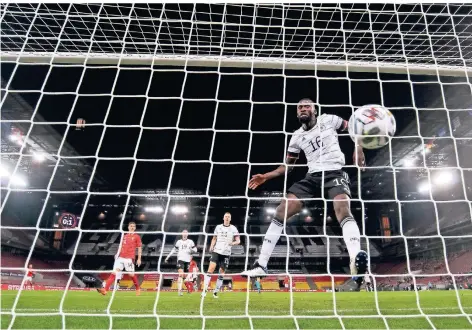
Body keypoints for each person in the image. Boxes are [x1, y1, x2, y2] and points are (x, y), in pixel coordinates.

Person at [242, 98, 368, 289]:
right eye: (299, 107)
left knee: (342, 208)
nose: (303, 109)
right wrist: (265, 177)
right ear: (297, 112)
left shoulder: (329, 120)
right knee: (281, 210)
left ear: (314, 110)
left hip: (334, 171)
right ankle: (261, 265)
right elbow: (287, 166)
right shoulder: (297, 136)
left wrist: (358, 148)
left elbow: (353, 128)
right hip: (312, 177)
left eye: (307, 106)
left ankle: (355, 262)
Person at [202, 212, 240, 298]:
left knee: (221, 273)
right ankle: (204, 290)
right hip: (217, 251)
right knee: (211, 269)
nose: (227, 218)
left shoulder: (233, 228)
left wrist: (233, 243)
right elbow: (214, 238)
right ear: (223, 218)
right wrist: (211, 246)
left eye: (228, 217)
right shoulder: (218, 227)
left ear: (230, 219)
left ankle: (215, 292)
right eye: (225, 216)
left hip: (226, 253)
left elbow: (238, 240)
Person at [98, 222, 142, 296]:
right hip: (121, 257)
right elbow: (120, 246)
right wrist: (117, 254)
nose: (132, 227)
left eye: (134, 226)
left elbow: (140, 248)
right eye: (131, 226)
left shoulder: (137, 237)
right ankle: (105, 290)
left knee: (131, 274)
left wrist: (139, 258)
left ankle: (137, 288)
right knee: (113, 273)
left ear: (135, 228)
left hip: (129, 258)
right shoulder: (124, 236)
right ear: (128, 227)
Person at [164, 230, 197, 296]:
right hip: (180, 260)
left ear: (187, 234)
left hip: (187, 261)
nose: (185, 234)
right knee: (181, 275)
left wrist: (191, 249)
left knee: (185, 277)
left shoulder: (190, 242)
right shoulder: (179, 242)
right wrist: (168, 257)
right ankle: (179, 291)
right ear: (182, 234)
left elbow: (195, 250)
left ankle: (190, 288)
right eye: (183, 233)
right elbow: (174, 249)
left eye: (186, 233)